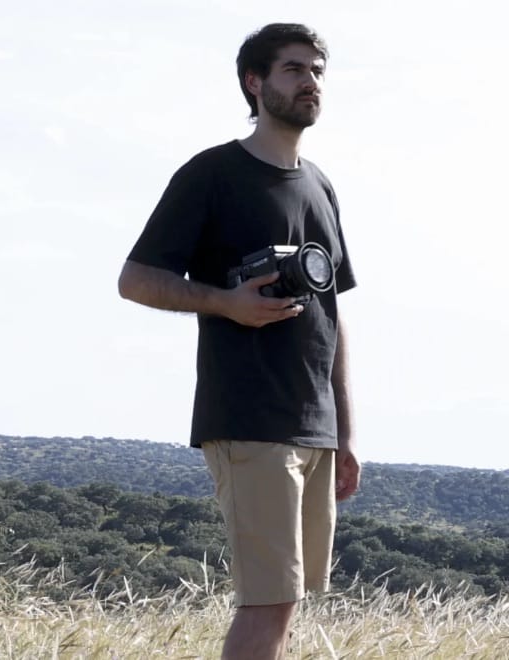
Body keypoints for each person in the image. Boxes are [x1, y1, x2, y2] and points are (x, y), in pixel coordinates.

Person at [117, 23, 359, 660]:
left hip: (315, 427)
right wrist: (226, 301)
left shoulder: (322, 186)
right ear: (255, 83)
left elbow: (333, 318)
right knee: (268, 603)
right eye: (293, 70)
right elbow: (135, 279)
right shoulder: (213, 174)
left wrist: (347, 434)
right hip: (249, 417)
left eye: (317, 71)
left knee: (291, 602)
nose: (310, 82)